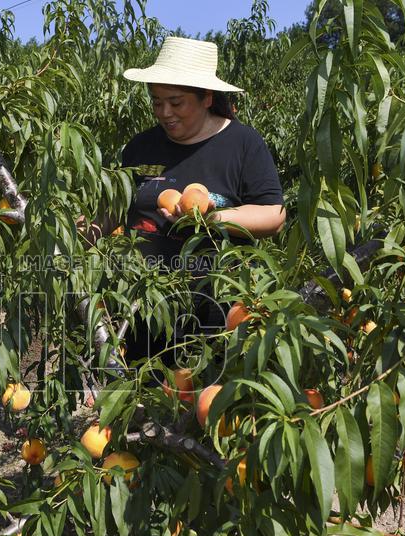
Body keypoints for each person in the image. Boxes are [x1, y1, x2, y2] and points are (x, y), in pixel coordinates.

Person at [119, 36, 286, 365]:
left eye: (176, 102)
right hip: (145, 312)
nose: (164, 112)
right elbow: (114, 210)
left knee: (204, 405)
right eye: (156, 102)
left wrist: (208, 220)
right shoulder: (139, 148)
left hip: (216, 317)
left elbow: (273, 214)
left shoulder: (242, 143)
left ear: (207, 97)